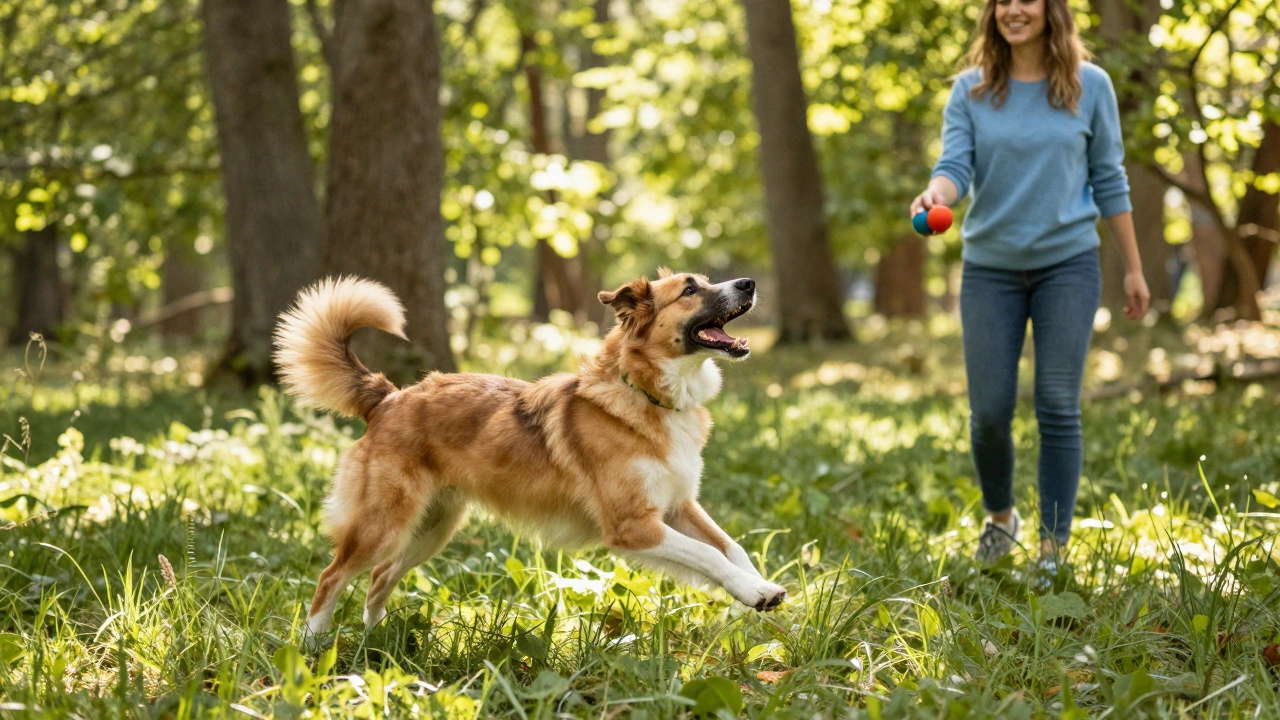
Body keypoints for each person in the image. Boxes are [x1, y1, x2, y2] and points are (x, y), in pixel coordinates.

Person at [909, 0, 1151, 579]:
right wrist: (936, 195)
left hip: (1068, 265)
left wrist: (1135, 268)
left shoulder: (1090, 86)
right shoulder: (971, 90)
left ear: (1051, 9)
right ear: (992, 13)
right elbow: (955, 168)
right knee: (989, 412)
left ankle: (1052, 549)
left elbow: (1110, 177)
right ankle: (1001, 519)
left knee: (1058, 406)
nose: (1015, 9)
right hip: (990, 269)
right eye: (1003, 1)